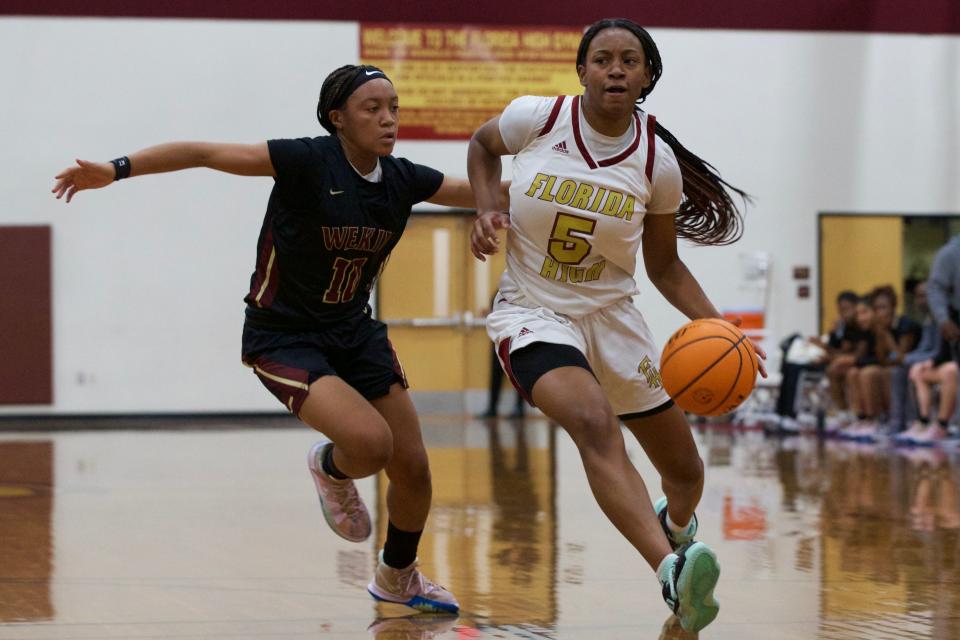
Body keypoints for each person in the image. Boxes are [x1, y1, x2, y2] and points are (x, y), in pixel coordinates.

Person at [50, 64, 494, 614]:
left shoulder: (402, 178)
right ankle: (331, 468)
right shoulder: (307, 160)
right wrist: (114, 170)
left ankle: (397, 576)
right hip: (283, 336)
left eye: (394, 107)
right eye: (372, 108)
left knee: (415, 469)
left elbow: (475, 190)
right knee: (370, 445)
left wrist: (522, 200)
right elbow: (203, 152)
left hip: (354, 332)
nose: (388, 119)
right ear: (338, 118)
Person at [466, 18, 764, 633]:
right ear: (582, 71)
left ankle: (677, 529)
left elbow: (665, 267)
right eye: (603, 59)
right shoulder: (536, 120)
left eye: (630, 61)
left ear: (648, 76)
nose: (616, 70)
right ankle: (672, 572)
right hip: (533, 311)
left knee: (686, 473)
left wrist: (724, 328)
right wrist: (489, 202)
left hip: (614, 318)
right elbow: (480, 144)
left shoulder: (656, 161)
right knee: (595, 425)